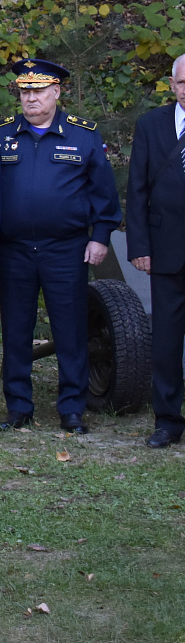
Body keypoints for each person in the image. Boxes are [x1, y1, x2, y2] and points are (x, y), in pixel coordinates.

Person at [0, 58, 121, 434]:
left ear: (56, 92)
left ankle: (72, 408)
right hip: (13, 249)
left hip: (66, 249)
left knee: (70, 330)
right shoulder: (0, 135)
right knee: (16, 330)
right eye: (24, 91)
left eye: (37, 91)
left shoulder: (83, 136)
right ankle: (18, 407)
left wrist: (99, 237)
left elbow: (105, 196)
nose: (30, 98)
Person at [127, 53, 185, 448]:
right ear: (172, 83)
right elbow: (137, 191)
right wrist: (139, 246)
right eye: (182, 84)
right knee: (166, 338)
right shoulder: (151, 125)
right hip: (167, 249)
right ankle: (167, 420)